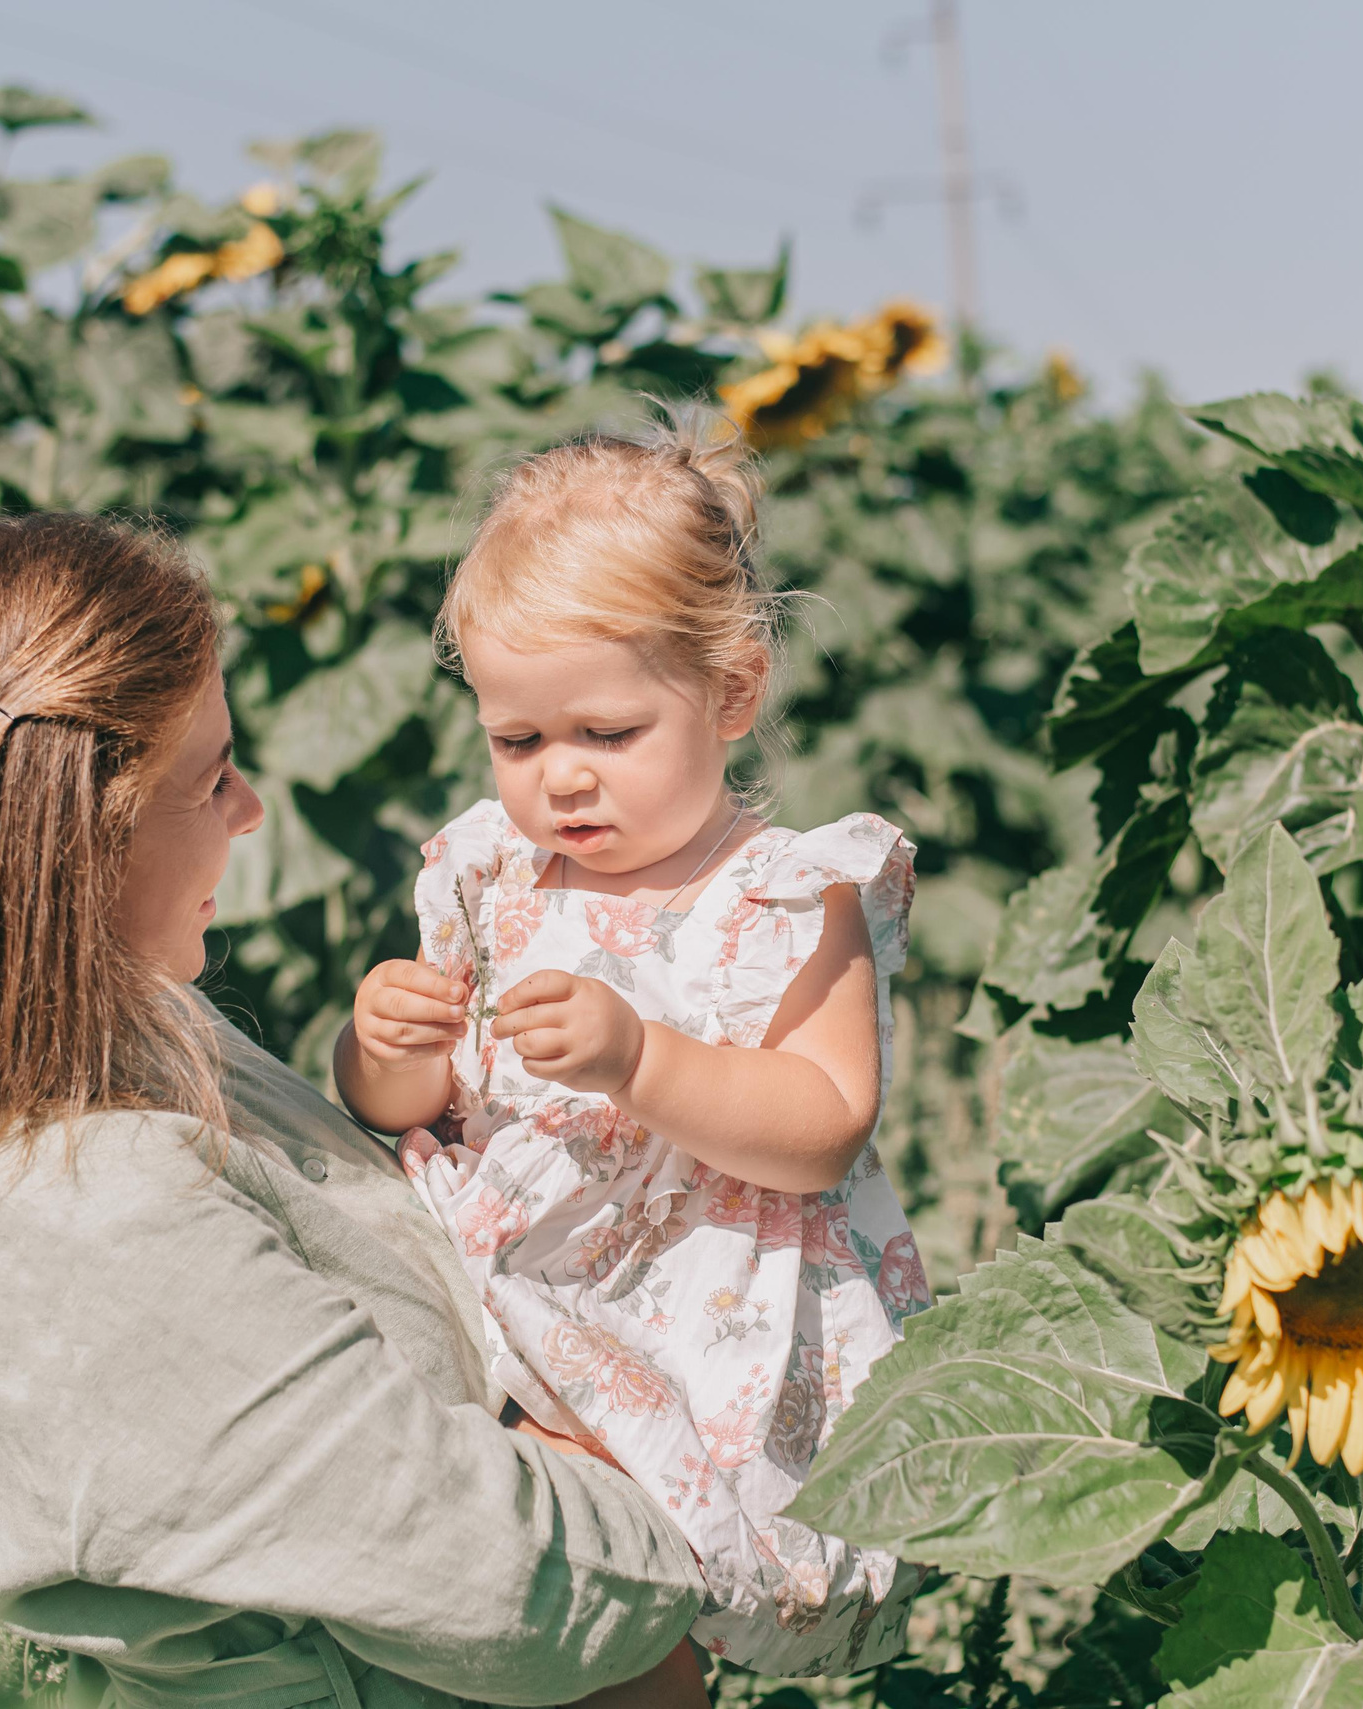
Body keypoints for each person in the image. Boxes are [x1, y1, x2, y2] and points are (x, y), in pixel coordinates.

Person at [0, 512, 705, 1709]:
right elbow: (507, 1587)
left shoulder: (105, 1034)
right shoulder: (73, 1208)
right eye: (210, 776)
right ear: (62, 837)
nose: (251, 811)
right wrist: (674, 1457)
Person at [336, 423, 931, 1685]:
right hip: (502, 1289)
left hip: (689, 1314)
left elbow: (824, 1121)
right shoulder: (492, 876)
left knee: (630, 1600)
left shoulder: (785, 893)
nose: (560, 781)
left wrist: (641, 1060)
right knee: (471, 1584)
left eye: (605, 734)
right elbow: (418, 1101)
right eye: (519, 740)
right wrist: (382, 1043)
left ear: (731, 694)